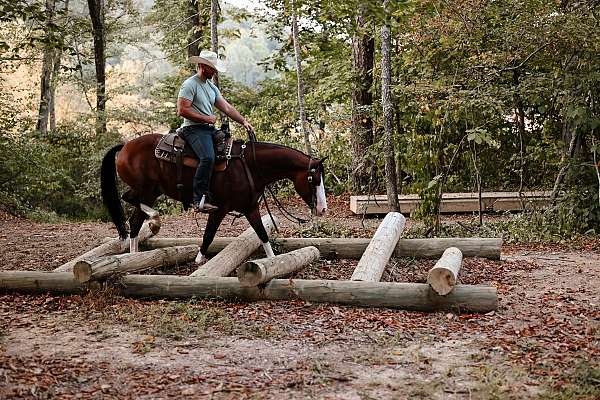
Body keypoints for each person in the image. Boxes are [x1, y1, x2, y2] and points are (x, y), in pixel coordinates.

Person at [176, 50, 254, 213]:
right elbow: (182, 110)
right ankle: (199, 199)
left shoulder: (211, 87)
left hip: (208, 129)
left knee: (230, 153)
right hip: (193, 128)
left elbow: (226, 107)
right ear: (203, 66)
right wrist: (206, 119)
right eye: (212, 68)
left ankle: (221, 193)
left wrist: (243, 121)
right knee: (208, 157)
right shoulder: (190, 84)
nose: (215, 71)